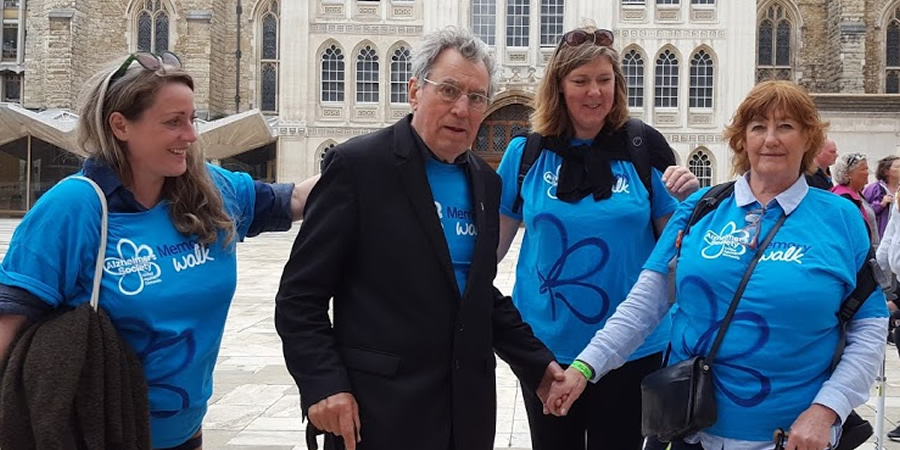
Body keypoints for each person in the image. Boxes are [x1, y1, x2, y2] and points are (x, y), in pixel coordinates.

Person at [547, 80, 887, 450]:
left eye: (786, 126)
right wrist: (585, 367)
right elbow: (644, 305)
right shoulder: (701, 209)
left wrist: (827, 410)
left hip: (790, 436)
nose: (770, 139)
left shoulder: (840, 218)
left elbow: (869, 329)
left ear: (809, 139)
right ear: (741, 140)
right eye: (758, 127)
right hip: (690, 430)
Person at [0, 51, 316, 449]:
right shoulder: (75, 206)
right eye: (173, 122)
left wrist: (386, 146)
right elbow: (7, 326)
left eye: (192, 118)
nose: (191, 135)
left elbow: (296, 201)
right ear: (120, 125)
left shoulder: (210, 191)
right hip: (100, 435)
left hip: (187, 433)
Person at [274, 27, 562, 450]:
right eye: (448, 90)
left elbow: (475, 292)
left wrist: (537, 365)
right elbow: (300, 297)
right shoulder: (359, 167)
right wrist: (322, 383)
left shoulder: (486, 182)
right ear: (414, 90)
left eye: (477, 97)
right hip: (378, 413)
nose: (462, 109)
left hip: (465, 417)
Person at [494, 26, 698, 450]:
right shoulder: (524, 154)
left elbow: (676, 254)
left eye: (604, 80)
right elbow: (488, 253)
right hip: (547, 349)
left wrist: (693, 203)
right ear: (559, 87)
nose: (594, 93)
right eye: (581, 81)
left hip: (631, 348)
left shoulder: (644, 146)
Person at [832, 152, 880, 247]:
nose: (868, 172)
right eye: (863, 169)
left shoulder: (857, 193)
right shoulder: (844, 198)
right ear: (848, 174)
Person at [863, 155, 900, 238]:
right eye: (898, 167)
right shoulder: (873, 189)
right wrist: (880, 205)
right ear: (886, 171)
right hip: (880, 236)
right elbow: (863, 211)